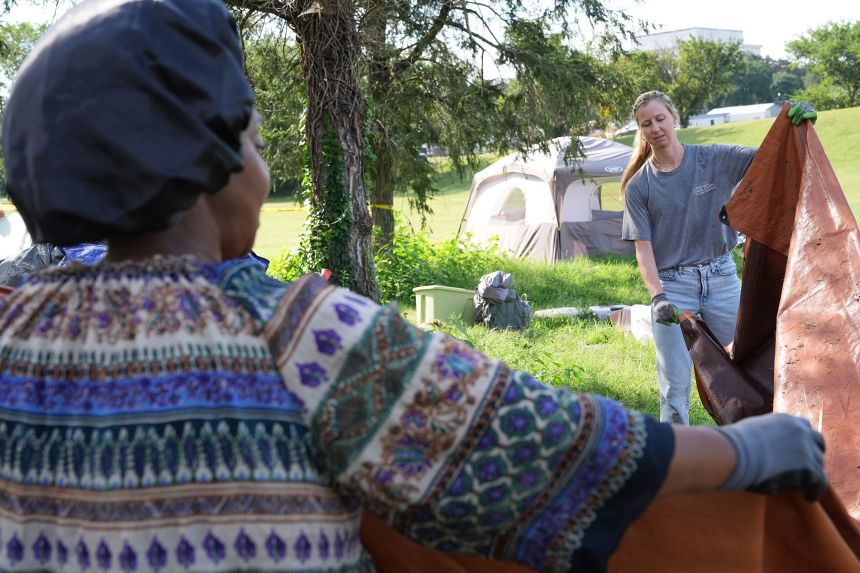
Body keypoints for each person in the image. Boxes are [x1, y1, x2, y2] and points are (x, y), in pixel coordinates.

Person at [0, 2, 826, 572]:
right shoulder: (294, 334)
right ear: (219, 158)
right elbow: (542, 444)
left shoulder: (12, 323)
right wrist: (748, 448)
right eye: (254, 137)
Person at [620, 90, 814, 425]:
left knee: (746, 362)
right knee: (675, 383)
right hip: (674, 288)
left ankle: (758, 439)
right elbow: (644, 250)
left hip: (722, 278)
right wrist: (658, 297)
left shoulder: (713, 159)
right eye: (646, 124)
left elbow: (773, 157)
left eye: (660, 118)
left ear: (674, 117)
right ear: (641, 130)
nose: (655, 128)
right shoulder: (640, 187)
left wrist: (798, 125)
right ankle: (674, 458)